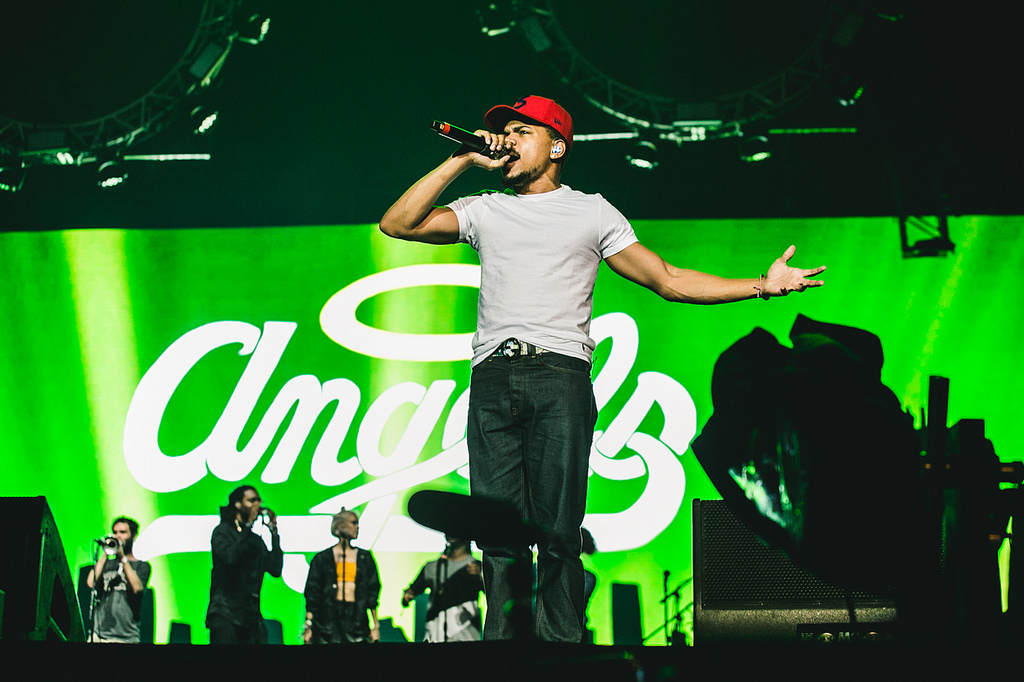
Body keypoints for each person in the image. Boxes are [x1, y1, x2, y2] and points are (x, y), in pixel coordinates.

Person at [379, 95, 826, 642]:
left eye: (523, 131)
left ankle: (562, 652)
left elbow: (669, 278)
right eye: (505, 133)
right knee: (496, 538)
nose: (509, 140)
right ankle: (503, 652)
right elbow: (397, 224)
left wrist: (761, 286)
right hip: (492, 377)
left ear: (557, 145)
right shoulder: (484, 208)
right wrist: (464, 159)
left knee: (558, 531)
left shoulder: (591, 210)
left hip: (559, 377)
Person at [206, 485, 283, 644]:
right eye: (251, 500)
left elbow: (275, 569)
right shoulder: (222, 532)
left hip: (250, 615)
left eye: (259, 500)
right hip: (225, 613)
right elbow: (230, 559)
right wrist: (248, 525)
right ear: (238, 504)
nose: (257, 504)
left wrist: (274, 533)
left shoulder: (255, 540)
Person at [302, 508, 381, 643]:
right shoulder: (323, 558)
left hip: (356, 618)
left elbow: (372, 592)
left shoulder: (364, 558)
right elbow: (313, 592)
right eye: (353, 523)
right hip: (328, 619)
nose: (357, 527)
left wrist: (375, 625)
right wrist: (308, 625)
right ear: (341, 525)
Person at [402, 537, 484, 642]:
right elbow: (413, 590)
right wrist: (408, 595)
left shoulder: (476, 567)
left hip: (466, 634)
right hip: (436, 634)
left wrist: (480, 578)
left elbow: (493, 595)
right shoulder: (432, 567)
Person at [86, 516, 151, 643]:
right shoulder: (107, 564)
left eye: (122, 532)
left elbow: (137, 589)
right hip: (98, 636)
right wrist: (107, 552)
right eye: (115, 532)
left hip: (126, 637)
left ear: (133, 535)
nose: (118, 536)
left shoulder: (142, 566)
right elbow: (91, 583)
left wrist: (122, 558)